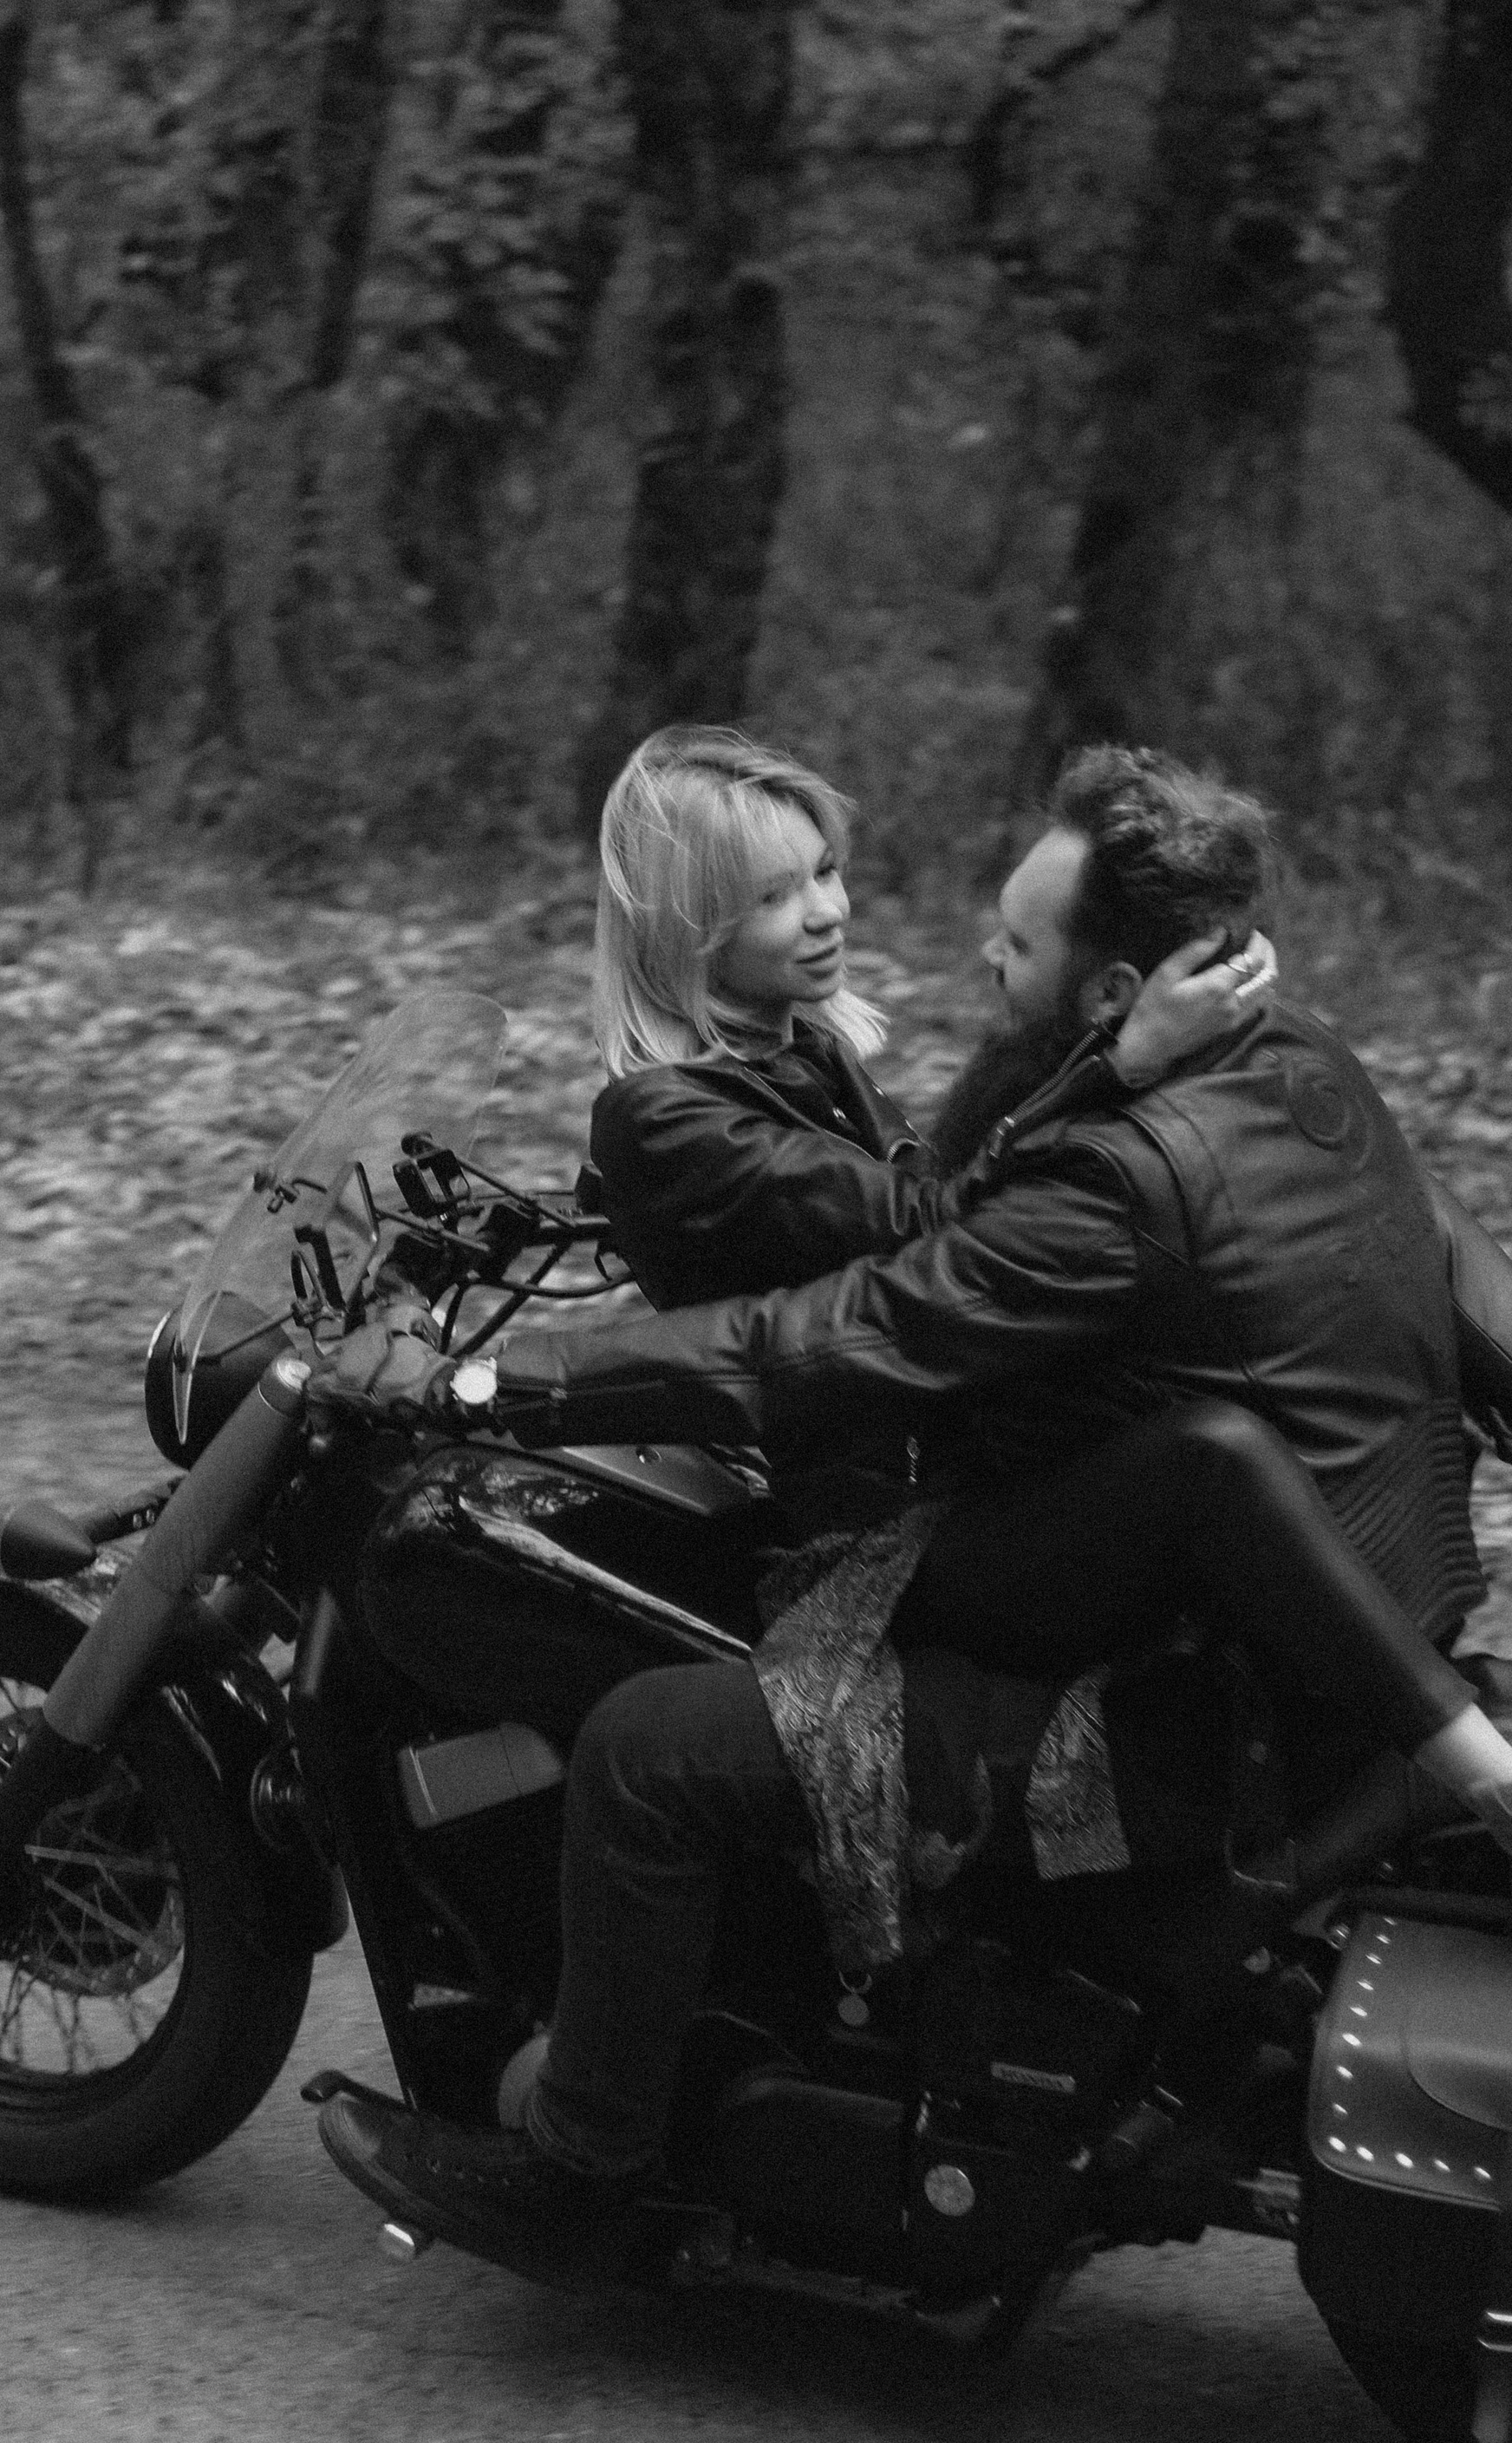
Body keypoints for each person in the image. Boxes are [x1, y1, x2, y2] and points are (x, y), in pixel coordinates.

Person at [318, 740, 1512, 2282]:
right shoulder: (1303, 1067)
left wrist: (494, 1382)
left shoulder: (1110, 1178)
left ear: (1116, 993)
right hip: (1343, 1609)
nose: (967, 956)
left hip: (1154, 1684)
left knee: (648, 1751)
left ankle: (580, 2169)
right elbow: (1444, 1265)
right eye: (783, 889)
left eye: (1013, 942)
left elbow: (850, 1313)